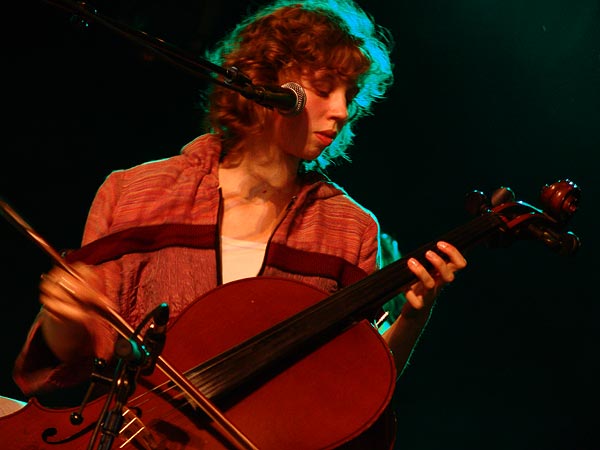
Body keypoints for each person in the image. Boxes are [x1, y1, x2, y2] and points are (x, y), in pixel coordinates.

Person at [8, 0, 466, 435]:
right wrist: (63, 316)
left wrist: (410, 318)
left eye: (352, 96)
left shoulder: (350, 228)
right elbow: (77, 360)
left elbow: (349, 388)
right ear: (266, 81)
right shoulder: (135, 192)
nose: (342, 111)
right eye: (325, 90)